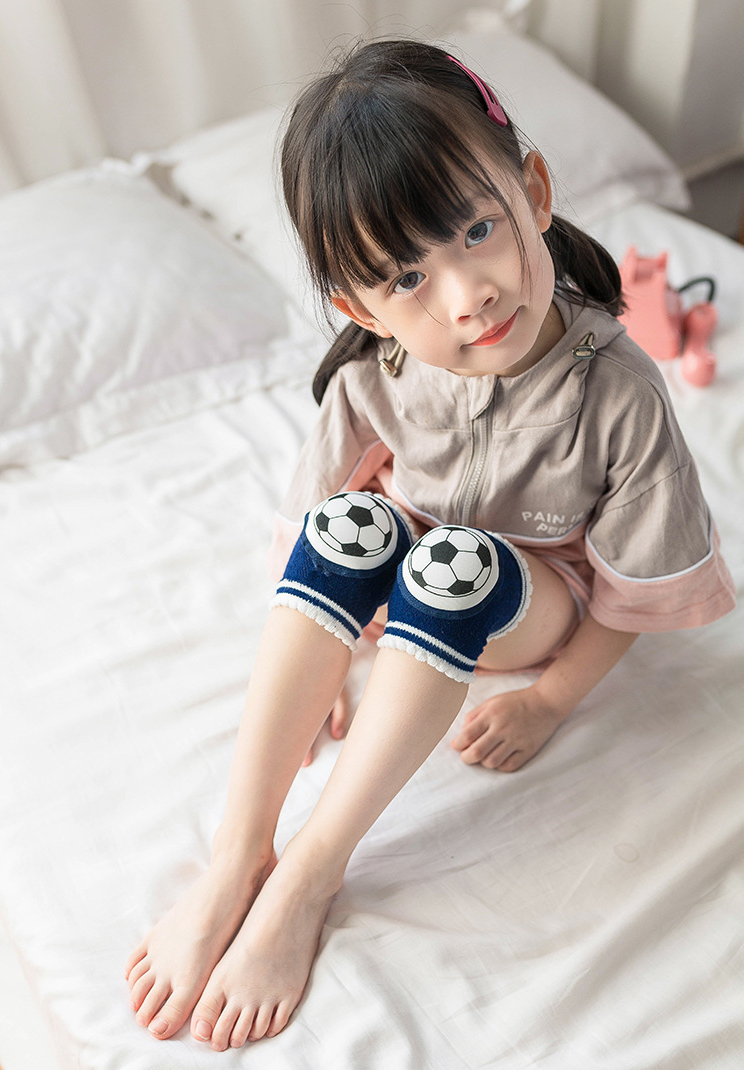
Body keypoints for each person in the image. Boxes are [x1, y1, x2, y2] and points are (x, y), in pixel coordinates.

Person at [124, 39, 735, 1051]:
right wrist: (324, 661)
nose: (466, 294)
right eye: (407, 277)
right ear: (359, 307)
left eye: (477, 230)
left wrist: (547, 699)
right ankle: (239, 855)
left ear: (534, 192)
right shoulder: (374, 370)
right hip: (407, 563)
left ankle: (310, 871)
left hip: (530, 600)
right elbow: (311, 528)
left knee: (461, 568)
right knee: (347, 525)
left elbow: (636, 589)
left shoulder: (617, 390)